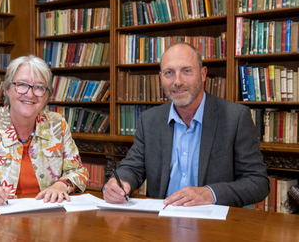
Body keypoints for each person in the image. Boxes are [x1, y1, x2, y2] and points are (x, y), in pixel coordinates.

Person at [103, 42, 269, 207]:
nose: (177, 81)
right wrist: (119, 183)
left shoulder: (235, 117)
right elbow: (133, 167)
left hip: (213, 225)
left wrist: (211, 193)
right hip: (161, 222)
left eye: (186, 71)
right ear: (161, 78)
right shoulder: (149, 120)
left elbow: (258, 182)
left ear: (203, 74)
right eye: (169, 73)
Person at [0, 55, 88, 205]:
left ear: (47, 95)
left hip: (48, 221)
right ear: (7, 89)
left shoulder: (57, 125)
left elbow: (79, 172)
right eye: (21, 85)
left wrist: (61, 185)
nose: (30, 94)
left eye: (39, 87)